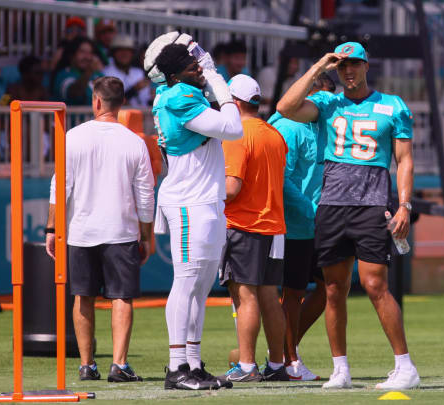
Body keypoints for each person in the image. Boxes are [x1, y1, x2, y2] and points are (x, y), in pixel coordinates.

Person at [277, 42, 420, 390]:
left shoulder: (392, 105)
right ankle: (340, 368)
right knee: (333, 289)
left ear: (367, 66)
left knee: (375, 285)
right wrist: (318, 66)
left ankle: (405, 366)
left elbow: (405, 161)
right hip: (332, 207)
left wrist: (404, 204)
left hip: (371, 206)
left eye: (354, 64)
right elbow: (285, 106)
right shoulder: (328, 103)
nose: (348, 71)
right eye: (342, 66)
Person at [44, 76, 154, 383]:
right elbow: (146, 194)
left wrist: (51, 229)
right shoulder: (135, 141)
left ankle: (86, 363)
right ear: (122, 104)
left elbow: (59, 187)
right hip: (121, 230)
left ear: (96, 101)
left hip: (81, 230)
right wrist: (147, 235)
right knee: (122, 297)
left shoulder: (73, 137)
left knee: (83, 295)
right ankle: (119, 363)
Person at [151, 42, 243, 390]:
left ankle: (192, 361)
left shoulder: (175, 92)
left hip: (205, 200)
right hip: (190, 202)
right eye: (191, 66)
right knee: (187, 282)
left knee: (201, 286)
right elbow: (233, 127)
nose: (199, 68)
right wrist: (220, 81)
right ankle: (177, 368)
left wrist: (205, 66)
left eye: (198, 64)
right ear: (175, 76)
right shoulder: (178, 97)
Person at [219, 74, 289, 383]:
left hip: (245, 224)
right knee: (269, 298)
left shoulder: (236, 134)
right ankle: (277, 364)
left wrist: (202, 192)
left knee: (245, 296)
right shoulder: (273, 134)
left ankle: (247, 366)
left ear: (234, 102)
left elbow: (231, 187)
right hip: (274, 227)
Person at [266, 72, 335, 381]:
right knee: (292, 292)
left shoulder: (323, 126)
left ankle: (283, 348)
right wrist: (309, 210)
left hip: (320, 223)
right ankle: (288, 360)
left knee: (330, 287)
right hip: (294, 225)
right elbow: (282, 178)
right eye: (321, 99)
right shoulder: (289, 127)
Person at [52, 37, 104, 105]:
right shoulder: (63, 75)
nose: (87, 57)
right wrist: (89, 71)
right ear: (72, 54)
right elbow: (75, 93)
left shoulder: (98, 75)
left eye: (90, 53)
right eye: (82, 52)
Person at [103, 35, 152, 107]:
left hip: (143, 116)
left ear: (133, 53)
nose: (124, 54)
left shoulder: (138, 72)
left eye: (128, 50)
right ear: (113, 53)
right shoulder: (106, 73)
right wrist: (134, 90)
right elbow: (112, 103)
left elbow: (146, 100)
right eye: (120, 50)